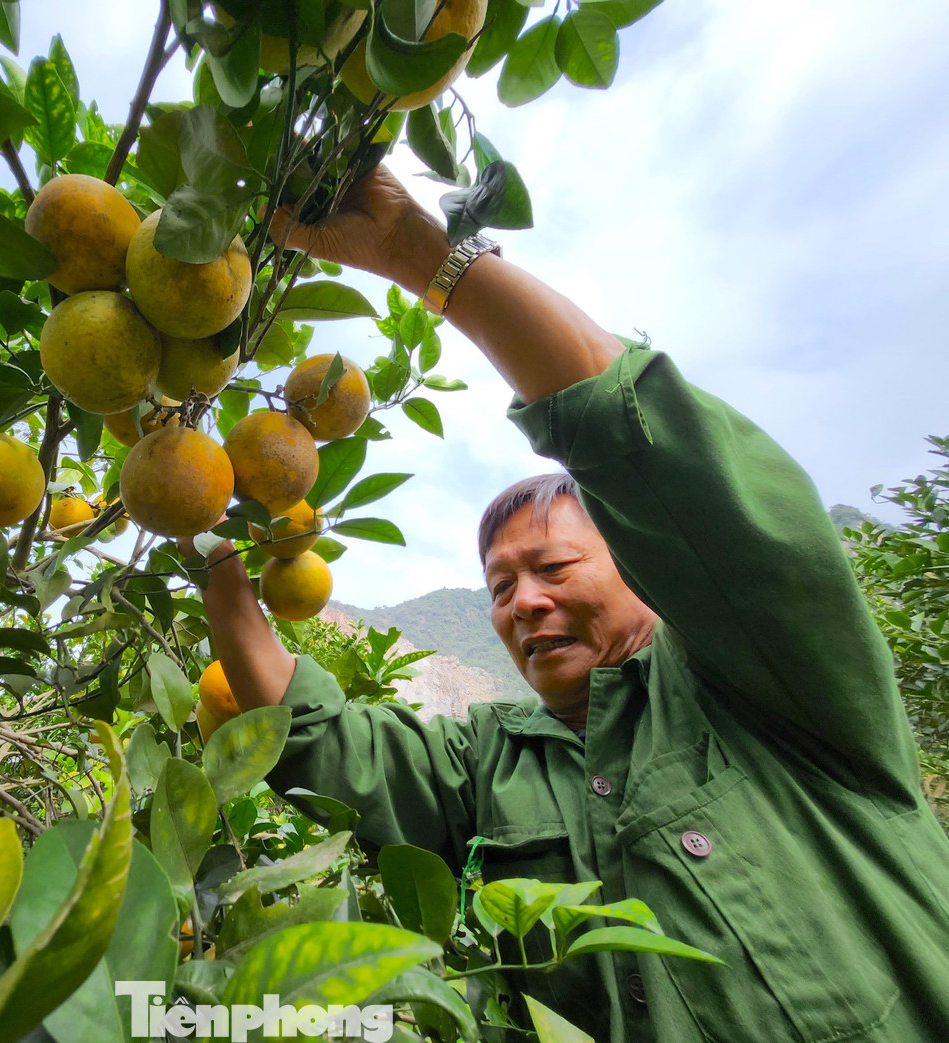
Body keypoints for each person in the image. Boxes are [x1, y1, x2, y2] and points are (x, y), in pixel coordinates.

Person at [189, 166, 949, 1041]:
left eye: (552, 566)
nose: (525, 603)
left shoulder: (762, 676)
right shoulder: (493, 764)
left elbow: (638, 442)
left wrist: (418, 254)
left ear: (642, 560)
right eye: (502, 588)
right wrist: (206, 537)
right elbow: (325, 741)